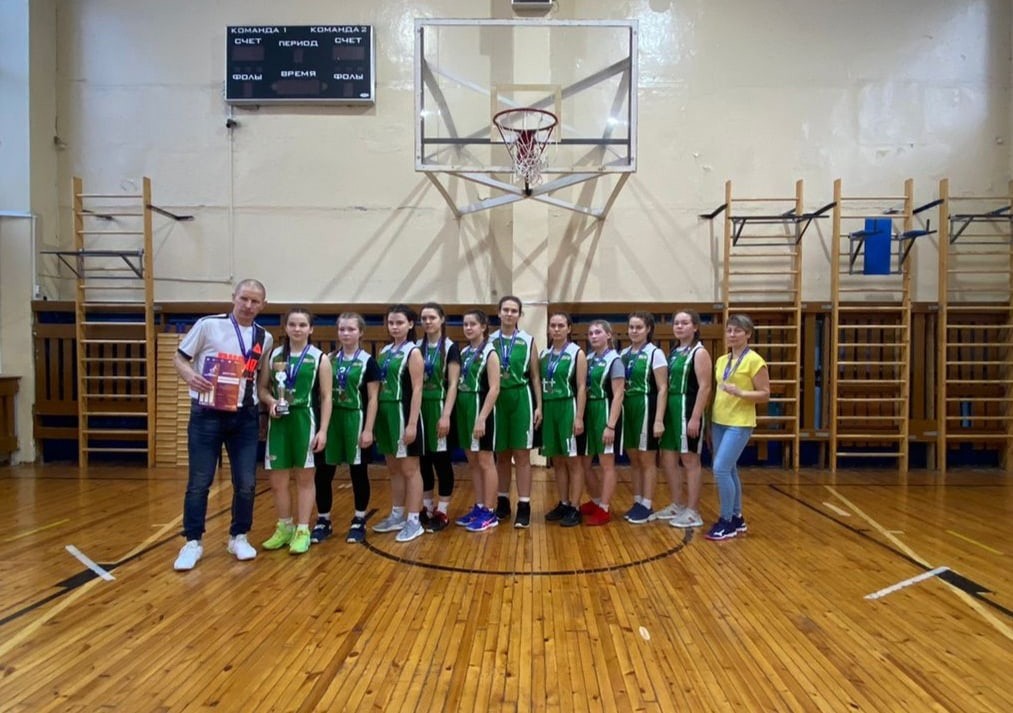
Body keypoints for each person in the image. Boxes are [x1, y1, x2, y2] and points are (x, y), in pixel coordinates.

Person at [172, 279, 273, 571]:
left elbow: (261, 379)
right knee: (199, 481)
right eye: (244, 298)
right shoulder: (208, 325)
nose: (248, 305)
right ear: (234, 297)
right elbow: (179, 358)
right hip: (207, 414)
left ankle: (239, 536)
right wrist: (189, 376)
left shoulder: (264, 337)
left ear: (263, 305)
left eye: (255, 301)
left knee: (247, 482)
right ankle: (193, 541)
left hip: (244, 417)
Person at [259, 308, 332, 555]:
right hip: (279, 423)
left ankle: (303, 530)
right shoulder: (273, 355)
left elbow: (327, 396)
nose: (297, 329)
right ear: (286, 328)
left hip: (304, 420)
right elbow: (262, 389)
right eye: (293, 324)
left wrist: (323, 430)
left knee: (305, 478)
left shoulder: (320, 358)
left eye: (302, 325)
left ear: (311, 329)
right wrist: (271, 402)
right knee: (278, 480)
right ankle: (284, 527)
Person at [312, 313, 380, 545]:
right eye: (342, 329)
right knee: (324, 472)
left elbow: (373, 398)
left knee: (358, 471)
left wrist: (368, 429)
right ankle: (323, 520)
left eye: (351, 329)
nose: (346, 333)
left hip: (355, 418)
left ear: (361, 332)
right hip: (331, 419)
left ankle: (359, 520)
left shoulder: (368, 361)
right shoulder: (328, 359)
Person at [707, 314, 769, 541]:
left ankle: (726, 521)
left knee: (720, 469)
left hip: (740, 422)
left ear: (748, 334)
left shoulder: (755, 361)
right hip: (719, 420)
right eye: (729, 330)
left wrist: (742, 392)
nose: (732, 334)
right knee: (730, 469)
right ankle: (737, 517)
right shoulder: (722, 360)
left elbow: (765, 394)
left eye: (737, 331)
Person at [372, 305, 426, 543]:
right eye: (391, 323)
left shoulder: (413, 352)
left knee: (410, 469)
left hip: (403, 413)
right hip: (385, 413)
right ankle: (397, 514)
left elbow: (417, 389)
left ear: (410, 325)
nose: (394, 327)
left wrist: (412, 424)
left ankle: (414, 520)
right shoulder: (385, 351)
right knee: (393, 468)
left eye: (399, 323)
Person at [491, 296, 543, 528]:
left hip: (521, 398)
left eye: (514, 310)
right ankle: (502, 502)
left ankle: (524, 506)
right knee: (501, 454)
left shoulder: (527, 340)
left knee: (522, 455)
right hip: (497, 399)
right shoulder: (490, 340)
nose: (509, 314)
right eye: (506, 310)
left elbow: (535, 376)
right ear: (499, 312)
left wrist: (539, 406)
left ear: (519, 314)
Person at [658, 310, 712, 529]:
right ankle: (677, 504)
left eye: (685, 323)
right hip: (670, 409)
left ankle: (693, 511)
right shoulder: (674, 351)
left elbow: (705, 387)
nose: (679, 326)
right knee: (668, 458)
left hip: (686, 407)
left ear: (695, 327)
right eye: (676, 323)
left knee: (690, 459)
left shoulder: (699, 353)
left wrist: (696, 417)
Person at [453, 310, 502, 532]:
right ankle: (480, 505)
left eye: (473, 324)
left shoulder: (490, 353)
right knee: (472, 461)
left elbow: (494, 388)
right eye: (465, 324)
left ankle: (490, 512)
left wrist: (482, 418)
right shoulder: (464, 352)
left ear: (483, 327)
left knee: (485, 461)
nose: (468, 328)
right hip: (463, 408)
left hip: (480, 409)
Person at [539, 312, 588, 527]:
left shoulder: (577, 353)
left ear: (569, 328)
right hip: (549, 407)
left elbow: (582, 387)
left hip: (568, 405)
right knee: (557, 460)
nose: (556, 329)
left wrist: (579, 417)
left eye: (561, 325)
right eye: (553, 325)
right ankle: (564, 502)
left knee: (573, 460)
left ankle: (575, 507)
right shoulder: (544, 354)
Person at [620, 311, 668, 524]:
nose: (634, 331)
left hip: (646, 405)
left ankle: (647, 504)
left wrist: (658, 420)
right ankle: (637, 500)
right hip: (627, 407)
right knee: (634, 458)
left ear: (648, 329)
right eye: (631, 327)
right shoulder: (623, 353)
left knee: (647, 458)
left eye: (639, 327)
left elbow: (663, 388)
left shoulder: (655, 353)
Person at [417, 303, 461, 532]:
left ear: (442, 319)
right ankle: (426, 507)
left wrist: (446, 415)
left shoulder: (450, 347)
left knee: (441, 461)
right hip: (419, 407)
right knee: (423, 460)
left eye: (432, 317)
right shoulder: (417, 347)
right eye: (424, 318)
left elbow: (453, 384)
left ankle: (442, 510)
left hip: (439, 405)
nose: (428, 322)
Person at [578, 319, 625, 526]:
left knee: (606, 463)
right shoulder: (588, 359)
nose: (594, 336)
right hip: (589, 411)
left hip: (606, 410)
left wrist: (611, 425)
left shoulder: (615, 360)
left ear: (609, 335)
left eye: (598, 332)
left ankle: (604, 508)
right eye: (590, 333)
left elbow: (619, 394)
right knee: (584, 463)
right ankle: (596, 500)